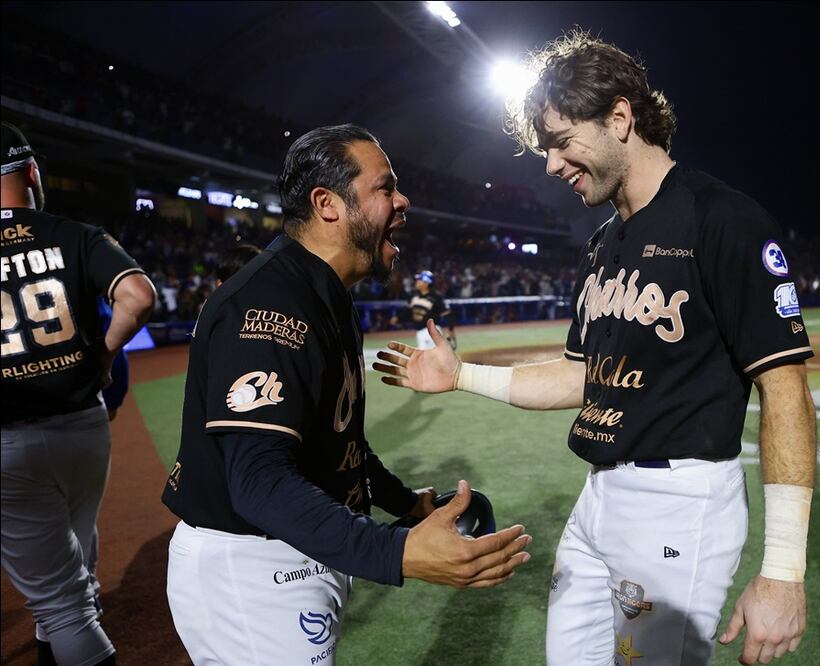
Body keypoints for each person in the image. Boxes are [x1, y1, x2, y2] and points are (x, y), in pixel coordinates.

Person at [375, 32, 817, 666]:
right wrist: (462, 376)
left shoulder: (722, 219)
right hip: (598, 496)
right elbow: (580, 377)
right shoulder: (603, 242)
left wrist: (783, 570)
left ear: (619, 117)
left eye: (561, 142)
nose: (551, 165)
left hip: (679, 503)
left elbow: (786, 389)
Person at [160, 124, 532, 665]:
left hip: (296, 545)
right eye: (386, 187)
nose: (403, 201)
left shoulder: (322, 293)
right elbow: (258, 482)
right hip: (252, 563)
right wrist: (396, 551)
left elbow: (337, 440)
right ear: (327, 204)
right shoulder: (270, 305)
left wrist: (404, 502)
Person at [1, 121, 157, 666]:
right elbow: (137, 295)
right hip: (83, 426)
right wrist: (105, 356)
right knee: (75, 571)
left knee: (63, 606)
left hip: (8, 441)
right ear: (32, 172)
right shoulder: (73, 233)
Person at [391, 269, 455, 349]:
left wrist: (451, 331)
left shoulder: (436, 297)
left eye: (419, 280)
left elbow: (448, 314)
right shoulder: (413, 295)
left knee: (424, 355)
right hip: (420, 332)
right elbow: (408, 311)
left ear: (426, 283)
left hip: (431, 331)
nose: (417, 281)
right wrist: (398, 318)